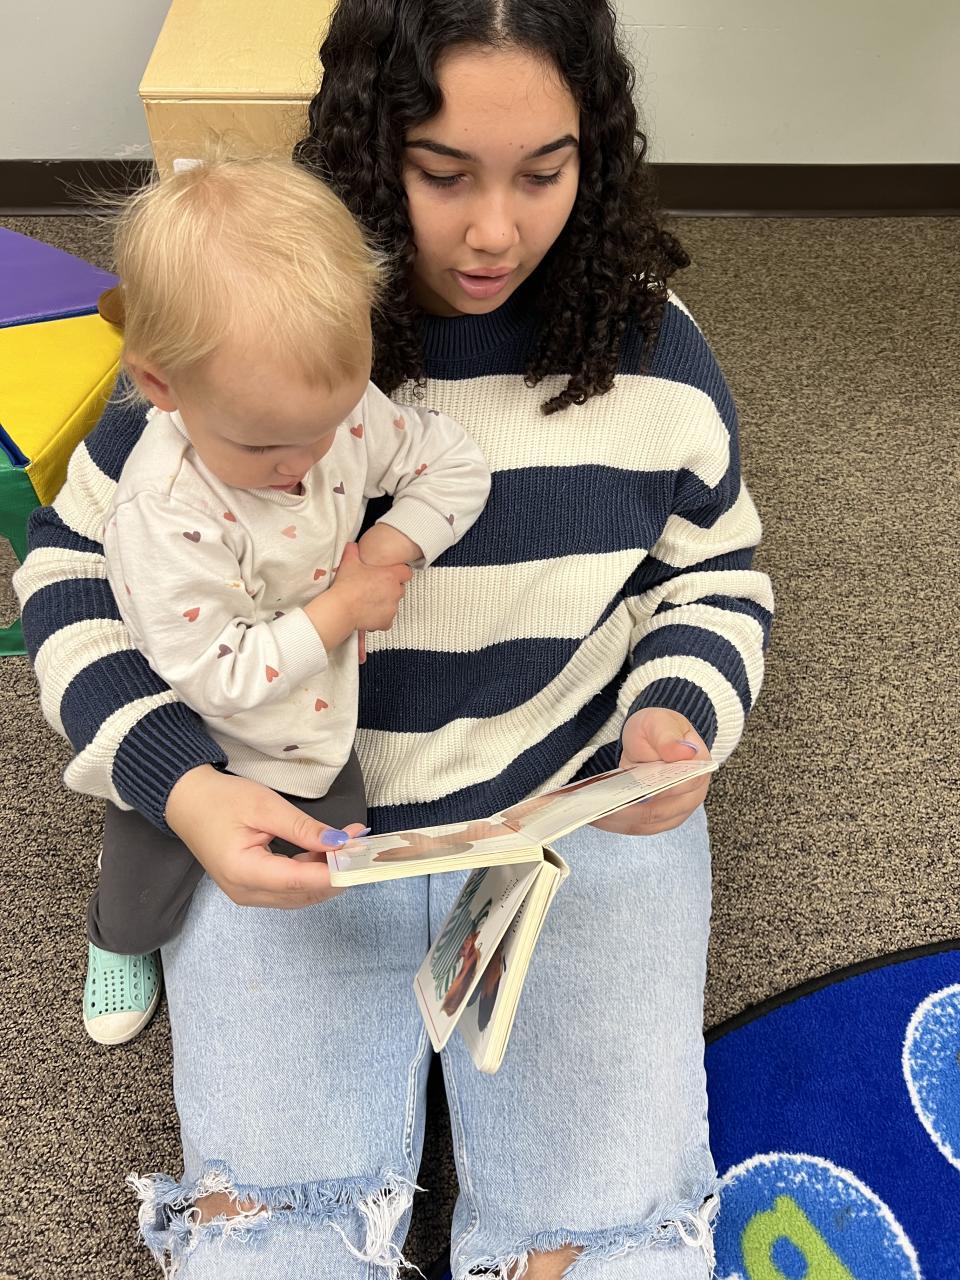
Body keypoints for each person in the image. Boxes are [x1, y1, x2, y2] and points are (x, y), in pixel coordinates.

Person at [15, 1, 774, 1276]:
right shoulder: (247, 325)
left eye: (544, 171)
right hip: (293, 810)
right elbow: (68, 565)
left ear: (595, 153)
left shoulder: (658, 355)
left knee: (610, 1244)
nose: (495, 232)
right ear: (374, 147)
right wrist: (179, 786)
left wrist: (678, 711)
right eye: (443, 174)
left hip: (564, 813)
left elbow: (714, 573)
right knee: (267, 1238)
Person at [75, 155, 491, 1044]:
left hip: (311, 726)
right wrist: (340, 611)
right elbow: (215, 676)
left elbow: (454, 464)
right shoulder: (166, 508)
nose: (301, 466)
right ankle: (115, 934)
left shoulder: (330, 416)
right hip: (196, 731)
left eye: (325, 430)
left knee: (330, 869)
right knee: (145, 886)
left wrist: (386, 549)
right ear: (161, 387)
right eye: (264, 446)